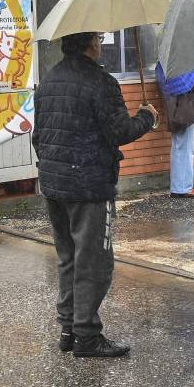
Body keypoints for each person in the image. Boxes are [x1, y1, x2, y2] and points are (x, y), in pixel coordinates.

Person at [32, 32, 157, 358]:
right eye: (99, 38)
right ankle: (87, 335)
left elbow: (39, 136)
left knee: (69, 257)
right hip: (89, 186)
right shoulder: (101, 82)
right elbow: (120, 132)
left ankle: (68, 328)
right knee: (94, 262)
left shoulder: (48, 81)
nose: (101, 43)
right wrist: (148, 117)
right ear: (91, 44)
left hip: (54, 183)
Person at [161, 70, 194, 198]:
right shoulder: (184, 70)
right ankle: (182, 188)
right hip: (185, 111)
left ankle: (180, 187)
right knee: (186, 149)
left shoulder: (168, 69)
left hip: (176, 110)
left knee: (179, 148)